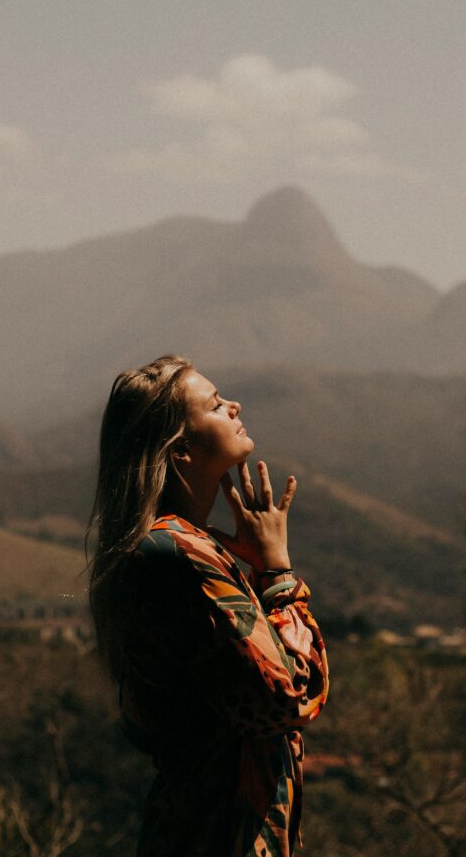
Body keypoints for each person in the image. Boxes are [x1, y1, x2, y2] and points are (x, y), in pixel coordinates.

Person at [87, 355, 330, 857]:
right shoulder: (175, 554)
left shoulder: (182, 549)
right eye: (217, 405)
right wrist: (279, 574)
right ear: (180, 452)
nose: (235, 405)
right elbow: (287, 696)